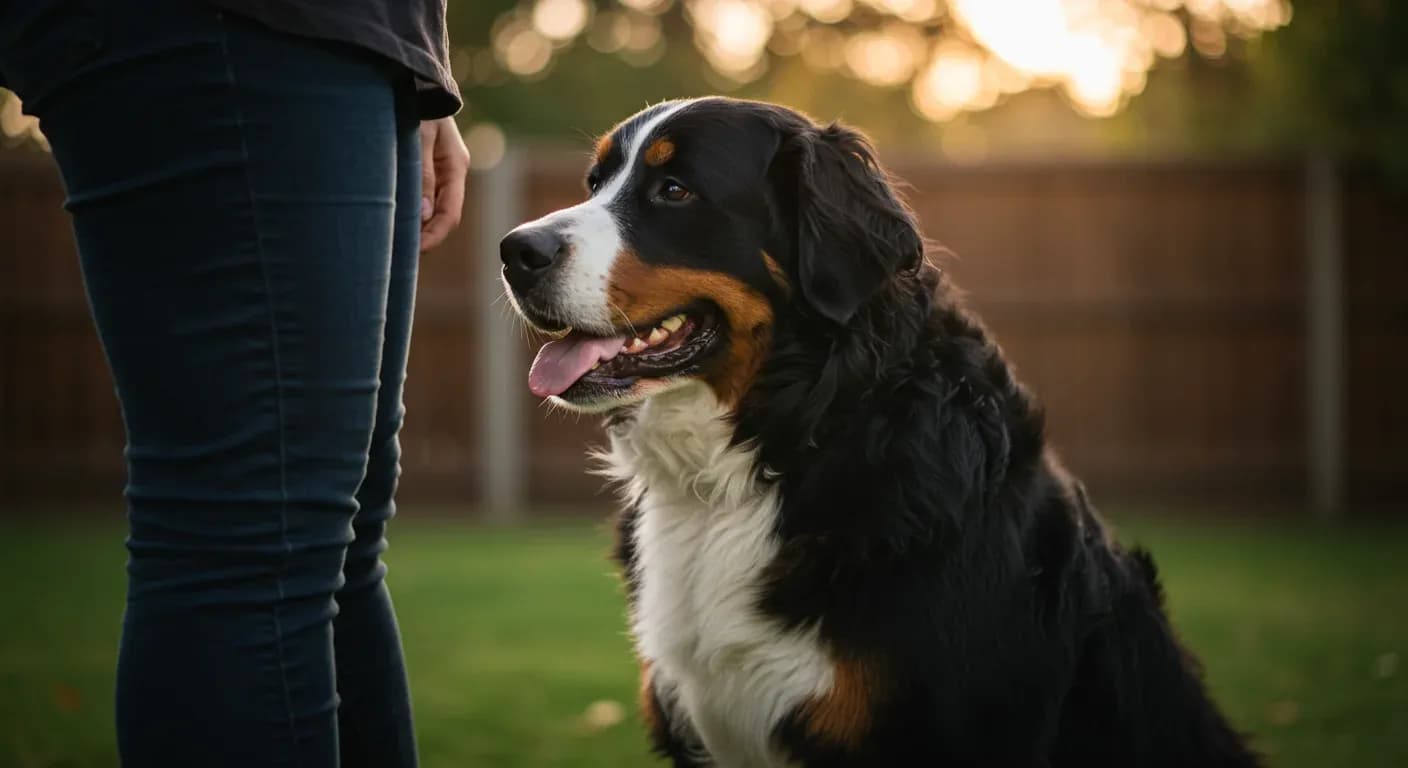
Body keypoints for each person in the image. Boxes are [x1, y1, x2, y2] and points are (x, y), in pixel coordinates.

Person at [0, 1, 469, 765]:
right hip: (230, 26)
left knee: (338, 532)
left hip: (362, 37)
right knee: (254, 529)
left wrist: (422, 66)